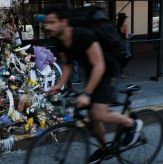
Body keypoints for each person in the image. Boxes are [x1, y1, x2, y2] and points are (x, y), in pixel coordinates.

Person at [43, 5, 142, 163]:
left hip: (108, 69)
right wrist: (58, 85)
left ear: (64, 21)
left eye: (52, 22)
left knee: (97, 113)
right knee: (91, 115)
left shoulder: (83, 35)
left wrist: (87, 93)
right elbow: (68, 65)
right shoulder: (60, 41)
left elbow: (99, 65)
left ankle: (132, 123)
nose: (47, 26)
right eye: (46, 22)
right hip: (93, 71)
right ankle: (104, 149)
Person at [116, 13, 132, 78]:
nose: (126, 19)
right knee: (128, 57)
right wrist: (131, 35)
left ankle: (120, 72)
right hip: (125, 43)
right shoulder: (125, 25)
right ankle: (119, 70)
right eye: (125, 18)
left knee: (121, 57)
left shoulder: (117, 25)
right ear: (124, 19)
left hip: (118, 43)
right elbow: (126, 37)